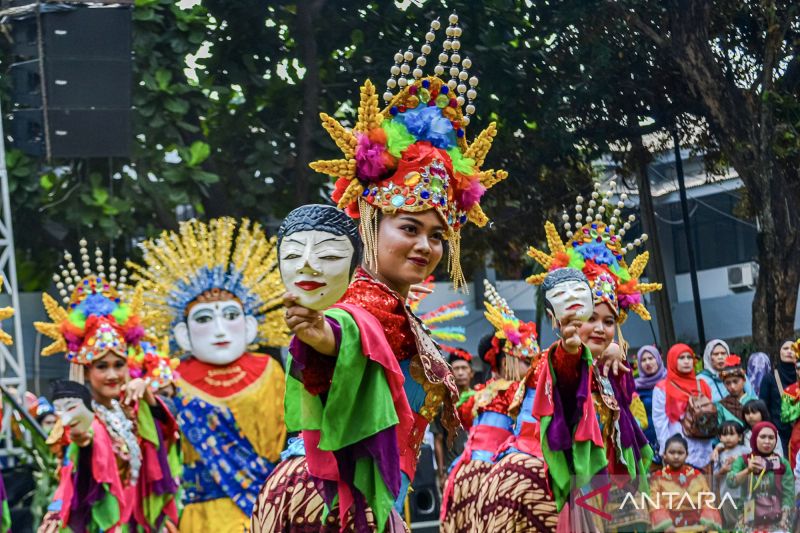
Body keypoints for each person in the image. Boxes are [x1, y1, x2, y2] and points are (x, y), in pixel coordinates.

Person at [253, 22, 509, 521]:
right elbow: (351, 330)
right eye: (409, 228)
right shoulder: (362, 300)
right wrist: (322, 333)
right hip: (328, 496)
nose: (425, 246)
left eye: (437, 236)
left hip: (362, 495)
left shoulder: (394, 304)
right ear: (370, 222)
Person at [129, 218, 289, 533]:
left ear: (250, 325)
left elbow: (291, 434)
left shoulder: (269, 371)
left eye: (230, 315)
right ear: (183, 335)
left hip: (265, 505)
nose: (219, 330)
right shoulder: (172, 379)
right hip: (199, 515)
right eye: (204, 318)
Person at [524, 182, 659, 530]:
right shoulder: (556, 363)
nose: (599, 328)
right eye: (590, 318)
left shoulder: (614, 367)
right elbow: (567, 383)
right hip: (583, 496)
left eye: (608, 321)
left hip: (622, 494)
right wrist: (579, 353)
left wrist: (613, 358)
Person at [35, 242, 180, 532]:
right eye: (101, 366)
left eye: (119, 364)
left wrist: (148, 395)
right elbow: (71, 468)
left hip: (140, 521)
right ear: (86, 372)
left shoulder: (133, 410)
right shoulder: (82, 415)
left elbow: (169, 435)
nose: (113, 374)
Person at [439, 280, 538, 532]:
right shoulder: (509, 391)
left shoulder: (492, 392)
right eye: (526, 360)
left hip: (474, 472)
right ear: (510, 361)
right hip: (490, 471)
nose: (531, 366)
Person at [652, 344, 715, 470]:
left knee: (704, 485)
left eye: (689, 357)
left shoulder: (702, 385)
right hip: (678, 443)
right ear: (672, 361)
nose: (686, 361)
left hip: (704, 443)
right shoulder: (663, 387)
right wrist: (666, 448)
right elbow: (660, 421)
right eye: (681, 358)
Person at [727, 421, 794, 531]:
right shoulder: (743, 461)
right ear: (754, 438)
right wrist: (747, 470)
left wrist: (784, 518)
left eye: (771, 438)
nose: (767, 441)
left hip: (777, 516)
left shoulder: (782, 464)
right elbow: (731, 482)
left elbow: (789, 493)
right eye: (762, 437)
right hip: (748, 515)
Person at [649, 434, 722, 532]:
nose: (676, 456)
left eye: (680, 453)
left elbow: (707, 500)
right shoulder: (657, 477)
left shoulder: (697, 475)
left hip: (698, 525)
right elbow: (655, 503)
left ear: (687, 455)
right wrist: (666, 525)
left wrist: (707, 522)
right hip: (670, 526)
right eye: (672, 452)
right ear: (664, 455)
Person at [431, 348, 473, 490]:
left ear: (471, 372)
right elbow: (438, 440)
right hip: (451, 471)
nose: (460, 372)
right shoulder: (443, 405)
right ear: (450, 374)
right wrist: (441, 474)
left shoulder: (481, 400)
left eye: (464, 368)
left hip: (476, 466)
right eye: (456, 368)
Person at [759, 340, 798, 457]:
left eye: (793, 349)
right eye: (785, 349)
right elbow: (763, 405)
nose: (789, 352)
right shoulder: (770, 378)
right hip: (779, 433)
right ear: (779, 352)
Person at [711, 421, 750, 529]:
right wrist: (723, 470)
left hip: (746, 493)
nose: (728, 438)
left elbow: (753, 465)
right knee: (732, 523)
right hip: (727, 494)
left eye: (732, 434)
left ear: (740, 437)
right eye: (724, 434)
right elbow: (715, 476)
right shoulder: (719, 454)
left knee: (748, 522)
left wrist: (739, 460)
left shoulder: (745, 451)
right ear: (719, 437)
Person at [635, 344, 666, 463]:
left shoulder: (669, 381)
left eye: (651, 358)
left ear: (658, 359)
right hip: (646, 440)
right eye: (643, 360)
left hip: (670, 437)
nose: (647, 362)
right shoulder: (635, 386)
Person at [717, 354, 758, 426]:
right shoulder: (720, 406)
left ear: (744, 381)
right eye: (728, 383)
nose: (732, 386)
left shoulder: (755, 402)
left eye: (735, 381)